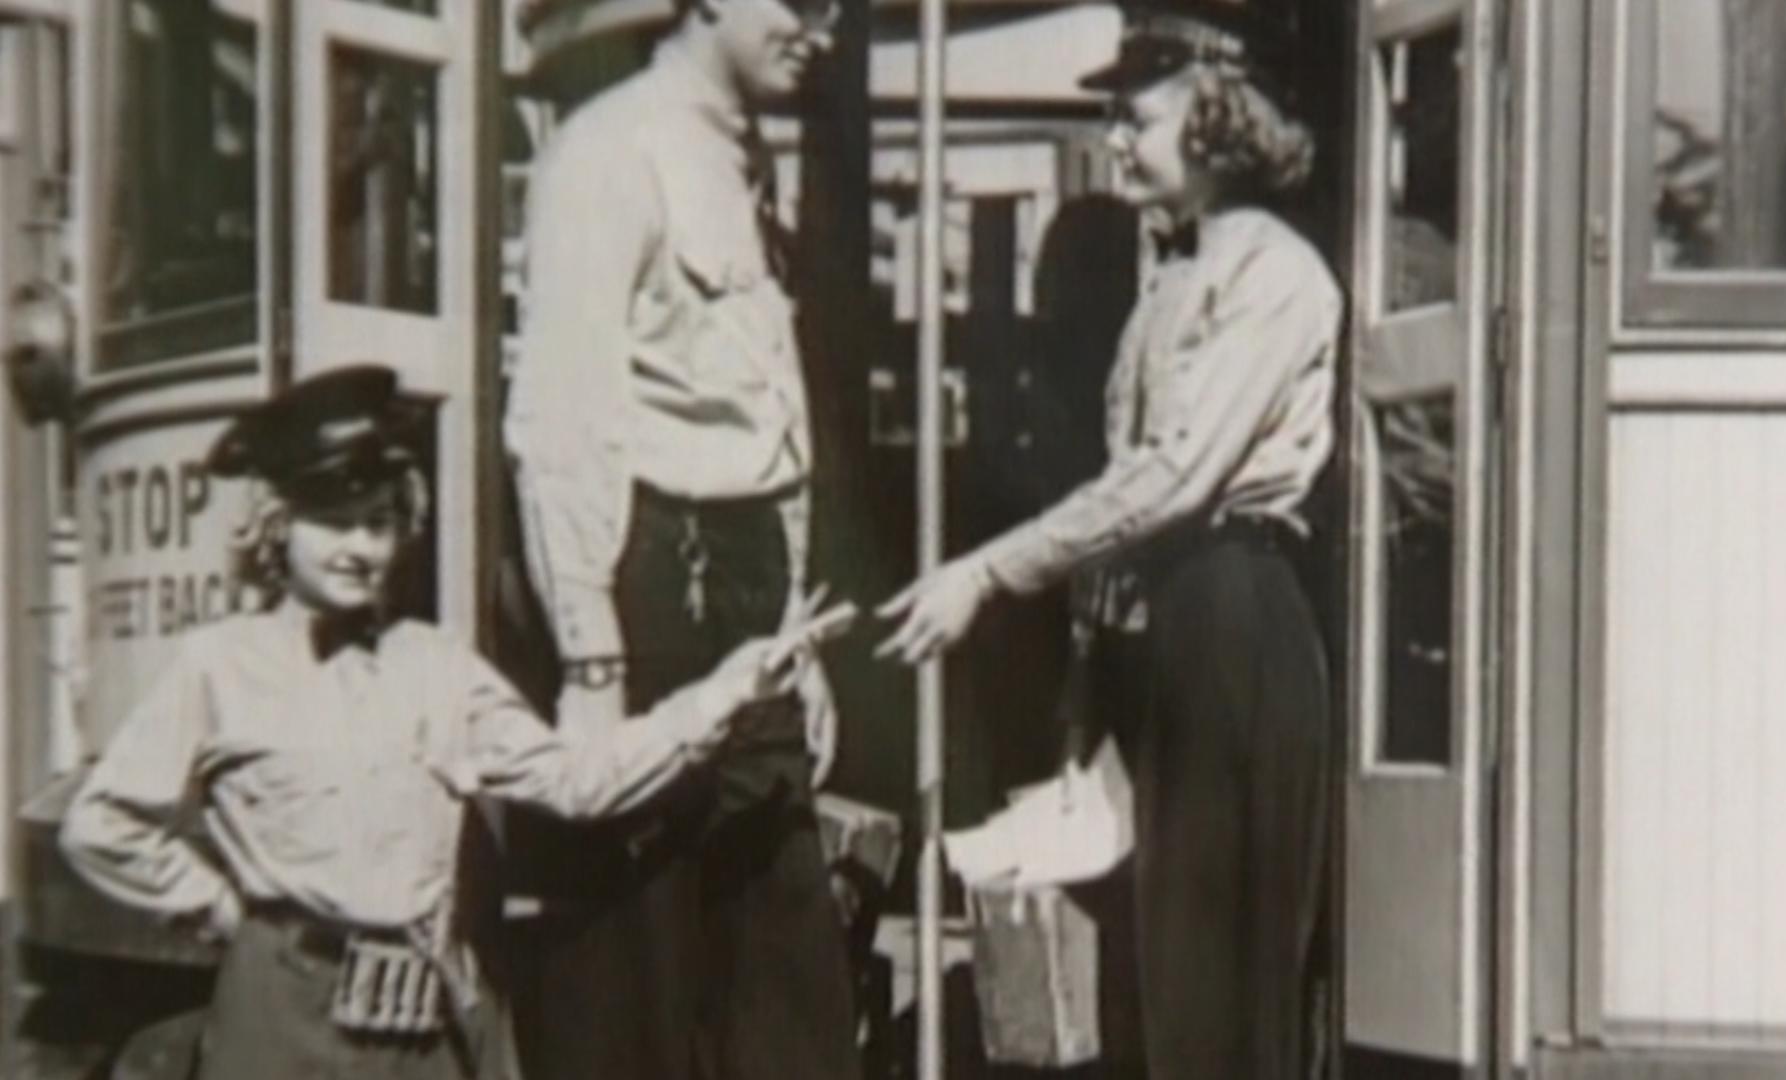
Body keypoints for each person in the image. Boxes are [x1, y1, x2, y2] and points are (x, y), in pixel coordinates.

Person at [60, 365, 805, 1080]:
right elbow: (101, 822)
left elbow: (574, 781)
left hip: (418, 1014)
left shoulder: (438, 668)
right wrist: (221, 909)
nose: (360, 547)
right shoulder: (217, 665)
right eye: (334, 523)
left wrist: (715, 697)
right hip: (281, 1010)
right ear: (277, 528)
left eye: (379, 523)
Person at [877, 3, 1340, 1076]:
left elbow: (1171, 479)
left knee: (1217, 982)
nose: (1118, 140)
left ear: (1218, 115)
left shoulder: (1271, 272)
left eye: (1138, 117)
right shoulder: (1179, 276)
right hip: (1165, 626)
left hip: (1232, 618)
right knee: (1157, 976)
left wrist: (989, 573)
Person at [499, 0, 859, 1073]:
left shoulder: (739, 160)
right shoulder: (607, 153)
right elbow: (561, 426)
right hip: (648, 589)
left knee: (788, 1004)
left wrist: (798, 642)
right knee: (638, 994)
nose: (824, 30)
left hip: (749, 600)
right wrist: (592, 665)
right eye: (803, 3)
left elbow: (769, 420)